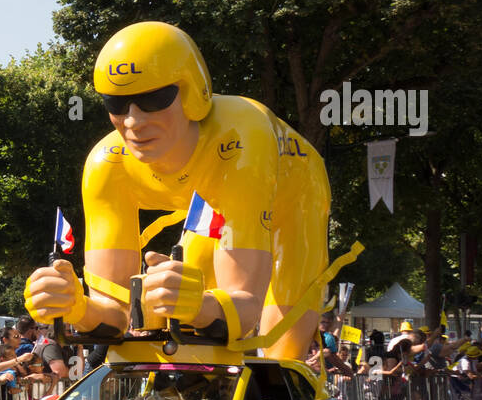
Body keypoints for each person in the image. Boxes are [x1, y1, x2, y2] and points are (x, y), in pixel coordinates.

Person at [23, 21, 337, 360]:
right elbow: (115, 314)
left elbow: (244, 306)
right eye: (117, 104)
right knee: (179, 308)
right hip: (217, 199)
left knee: (282, 355)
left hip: (294, 194)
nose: (133, 121)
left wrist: (201, 307)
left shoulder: (242, 136)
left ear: (191, 92)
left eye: (153, 99)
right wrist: (76, 307)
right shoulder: (106, 165)